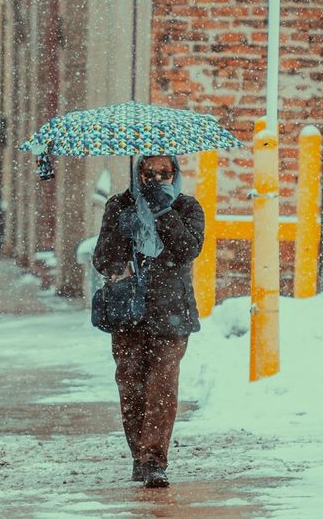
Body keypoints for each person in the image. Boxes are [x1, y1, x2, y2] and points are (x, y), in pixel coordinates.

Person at [92, 154, 206, 489]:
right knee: (131, 387)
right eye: (148, 173)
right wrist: (125, 228)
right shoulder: (119, 204)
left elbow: (187, 249)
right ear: (137, 173)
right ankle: (138, 456)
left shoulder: (187, 207)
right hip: (129, 313)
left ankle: (154, 461)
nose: (156, 179)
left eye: (164, 173)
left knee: (162, 385)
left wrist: (162, 212)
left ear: (175, 175)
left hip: (171, 312)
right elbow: (103, 259)